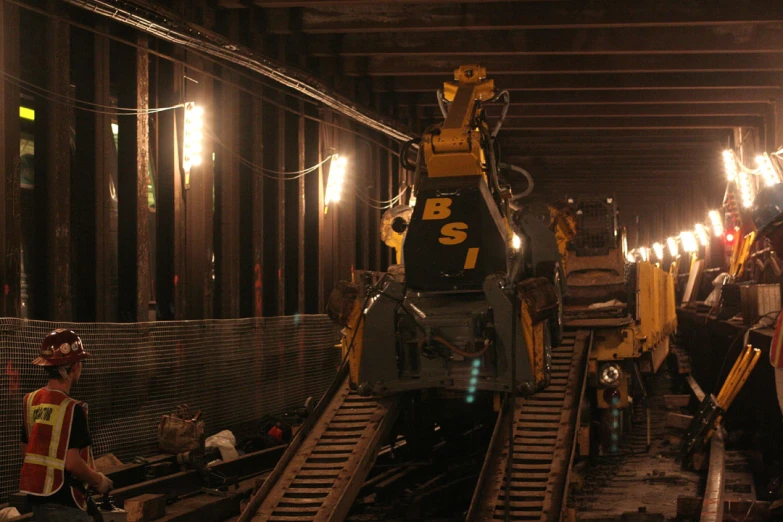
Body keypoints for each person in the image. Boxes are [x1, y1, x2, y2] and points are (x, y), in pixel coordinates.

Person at [19, 329, 112, 521]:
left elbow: (26, 451)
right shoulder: (72, 409)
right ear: (75, 366)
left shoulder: (30, 401)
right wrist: (99, 481)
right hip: (65, 502)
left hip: (38, 499)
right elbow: (72, 462)